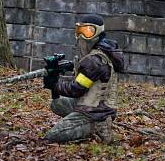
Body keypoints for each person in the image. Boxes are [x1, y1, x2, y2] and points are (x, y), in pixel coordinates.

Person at [42, 14, 125, 143]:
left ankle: (97, 126)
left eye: (87, 31)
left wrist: (55, 84)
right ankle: (81, 124)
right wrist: (64, 72)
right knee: (56, 104)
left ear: (98, 33)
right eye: (79, 31)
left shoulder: (94, 60)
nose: (82, 36)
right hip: (94, 105)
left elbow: (76, 90)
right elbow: (82, 80)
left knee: (52, 136)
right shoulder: (98, 54)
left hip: (95, 114)